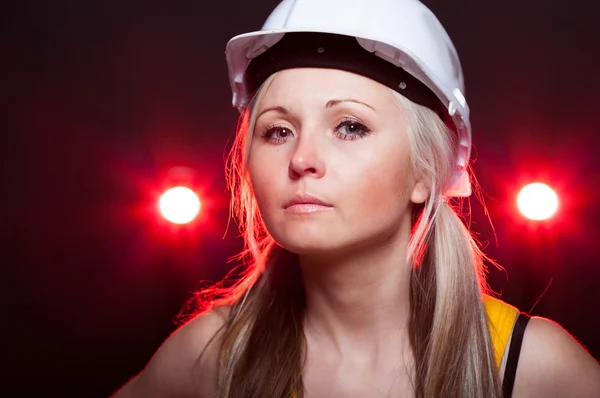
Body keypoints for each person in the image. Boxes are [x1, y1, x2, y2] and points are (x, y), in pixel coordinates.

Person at [112, 0, 600, 397]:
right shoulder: (214, 356)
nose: (302, 158)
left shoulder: (533, 370)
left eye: (350, 126)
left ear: (426, 171)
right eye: (278, 130)